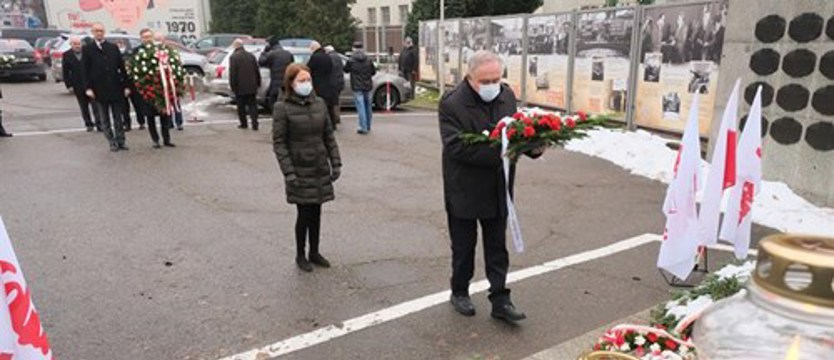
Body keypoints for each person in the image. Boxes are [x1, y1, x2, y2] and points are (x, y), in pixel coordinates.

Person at [439, 50, 543, 323]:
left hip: (498, 188)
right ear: (470, 77)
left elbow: (515, 133)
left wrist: (533, 147)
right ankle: (459, 291)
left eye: (496, 79)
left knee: (497, 248)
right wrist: (505, 151)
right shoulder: (452, 104)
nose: (492, 86)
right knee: (464, 248)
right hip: (464, 189)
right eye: (485, 81)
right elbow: (457, 147)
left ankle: (500, 299)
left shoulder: (506, 96)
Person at [272, 63, 342, 272]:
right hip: (299, 168)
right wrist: (289, 172)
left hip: (319, 166)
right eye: (301, 80)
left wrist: (335, 162)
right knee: (304, 213)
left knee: (316, 211)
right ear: (291, 83)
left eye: (308, 80)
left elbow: (328, 136)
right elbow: (279, 143)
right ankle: (300, 254)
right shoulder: (282, 108)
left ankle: (315, 251)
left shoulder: (319, 104)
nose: (306, 84)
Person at [83, 22, 130, 152]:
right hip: (99, 89)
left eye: (101, 31)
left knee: (118, 117)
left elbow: (122, 68)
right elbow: (85, 70)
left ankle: (121, 140)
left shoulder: (112, 47)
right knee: (105, 118)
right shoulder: (87, 49)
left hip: (115, 87)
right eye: (96, 31)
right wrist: (88, 88)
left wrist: (126, 86)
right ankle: (111, 141)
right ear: (92, 32)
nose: (99, 33)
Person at [132, 29, 175, 148]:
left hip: (161, 88)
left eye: (149, 36)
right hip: (147, 89)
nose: (148, 39)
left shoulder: (160, 50)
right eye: (145, 37)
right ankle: (155, 140)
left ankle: (166, 139)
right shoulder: (137, 51)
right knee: (150, 117)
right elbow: (134, 69)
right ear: (141, 39)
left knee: (164, 115)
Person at [62, 36, 97, 132]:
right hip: (77, 84)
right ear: (71, 45)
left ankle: (99, 123)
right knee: (84, 106)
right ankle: (88, 124)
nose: (77, 46)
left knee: (95, 105)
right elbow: (65, 71)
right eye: (75, 44)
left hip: (90, 84)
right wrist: (69, 85)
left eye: (79, 44)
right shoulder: (67, 55)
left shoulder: (87, 52)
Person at [229, 39, 261, 131]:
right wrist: (258, 82)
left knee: (241, 106)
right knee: (253, 105)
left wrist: (233, 86)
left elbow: (233, 73)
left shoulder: (234, 57)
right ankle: (255, 124)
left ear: (235, 46)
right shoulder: (251, 56)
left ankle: (244, 123)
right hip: (252, 85)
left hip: (240, 86)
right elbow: (256, 70)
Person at [344, 42, 376, 134]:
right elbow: (373, 72)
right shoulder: (368, 59)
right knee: (368, 106)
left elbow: (345, 70)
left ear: (353, 49)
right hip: (367, 85)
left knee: (360, 106)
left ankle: (363, 126)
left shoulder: (351, 60)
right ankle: (368, 125)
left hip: (357, 86)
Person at [155, 32, 184, 131]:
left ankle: (179, 122)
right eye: (156, 39)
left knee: (175, 101)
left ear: (164, 40)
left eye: (160, 39)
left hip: (172, 80)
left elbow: (178, 63)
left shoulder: (171, 51)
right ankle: (169, 122)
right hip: (161, 82)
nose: (158, 41)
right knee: (165, 102)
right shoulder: (154, 52)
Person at [307, 41, 339, 130]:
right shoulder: (327, 56)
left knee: (320, 106)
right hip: (329, 84)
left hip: (319, 85)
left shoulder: (314, 57)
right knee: (329, 106)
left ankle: (323, 125)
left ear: (313, 48)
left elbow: (308, 69)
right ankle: (332, 124)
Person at [259, 38, 294, 112]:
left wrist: (264, 52)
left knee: (273, 100)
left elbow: (261, 62)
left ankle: (277, 114)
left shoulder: (272, 54)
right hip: (287, 81)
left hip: (275, 81)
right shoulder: (288, 54)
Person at [325, 45, 344, 130]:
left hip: (334, 81)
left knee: (333, 101)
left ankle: (335, 118)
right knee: (337, 100)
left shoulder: (330, 57)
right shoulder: (338, 57)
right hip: (340, 81)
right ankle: (337, 117)